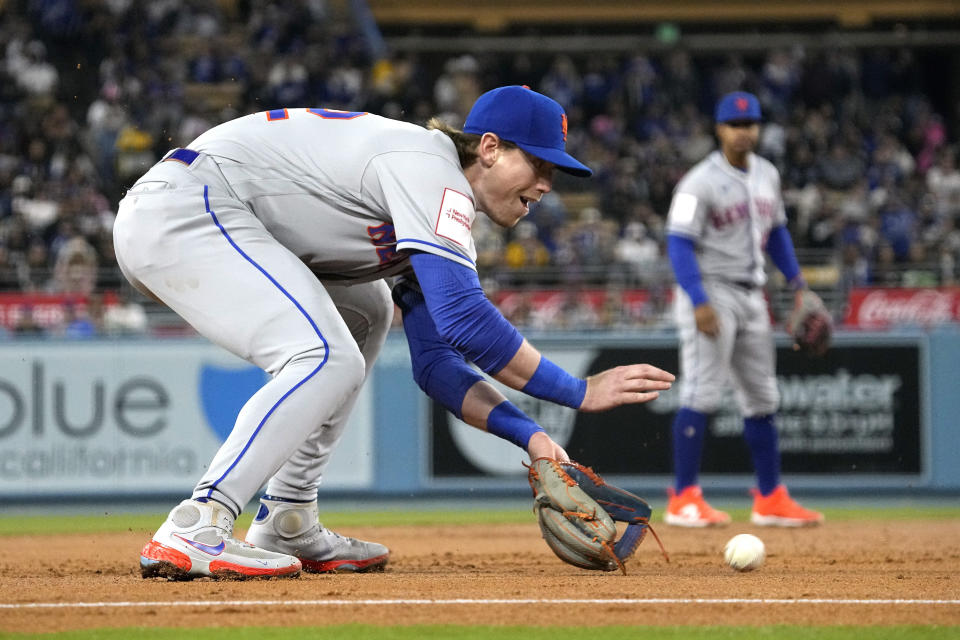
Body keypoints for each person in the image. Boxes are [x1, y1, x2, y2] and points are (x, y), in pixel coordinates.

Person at [114, 85, 675, 580]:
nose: (548, 184)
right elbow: (465, 318)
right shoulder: (430, 171)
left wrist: (532, 439)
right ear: (489, 148)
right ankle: (198, 522)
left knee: (368, 314)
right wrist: (577, 391)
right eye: (539, 164)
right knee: (324, 355)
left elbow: (436, 361)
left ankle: (288, 518)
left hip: (215, 215)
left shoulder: (427, 199)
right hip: (188, 207)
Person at [663, 91, 824, 528]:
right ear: (719, 129)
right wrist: (698, 300)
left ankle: (770, 498)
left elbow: (777, 235)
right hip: (712, 291)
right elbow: (678, 243)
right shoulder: (698, 181)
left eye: (751, 123)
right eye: (736, 124)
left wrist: (798, 284)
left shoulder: (767, 174)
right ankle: (682, 498)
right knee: (701, 392)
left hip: (754, 295)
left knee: (763, 397)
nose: (744, 131)